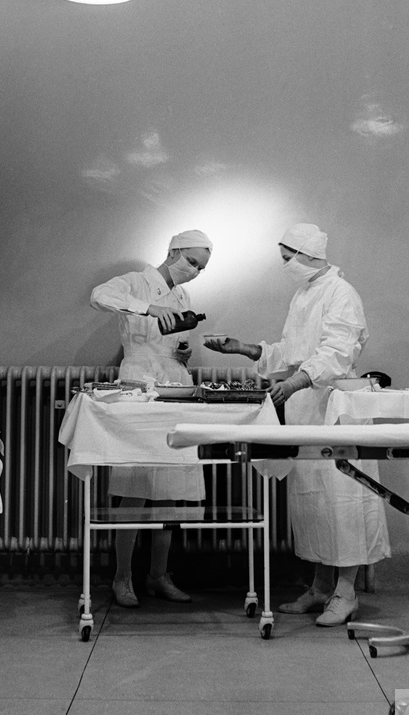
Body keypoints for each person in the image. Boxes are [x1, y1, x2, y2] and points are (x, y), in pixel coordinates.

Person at [205, 223, 389, 626]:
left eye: (288, 259)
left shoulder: (342, 294)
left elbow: (336, 354)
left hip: (336, 409)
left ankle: (346, 592)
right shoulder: (304, 295)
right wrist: (242, 348)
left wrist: (294, 383)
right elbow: (290, 353)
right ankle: (320, 587)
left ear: (308, 255)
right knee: (314, 499)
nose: (285, 266)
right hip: (306, 406)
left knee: (343, 497)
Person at [89, 229, 213, 608]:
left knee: (172, 485)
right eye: (191, 261)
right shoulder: (136, 282)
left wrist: (182, 352)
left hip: (174, 381)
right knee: (136, 483)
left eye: (201, 267)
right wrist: (148, 309)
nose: (194, 271)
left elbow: (170, 344)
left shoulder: (182, 296)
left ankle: (159, 575)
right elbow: (99, 296)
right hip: (139, 380)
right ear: (173, 251)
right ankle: (122, 576)